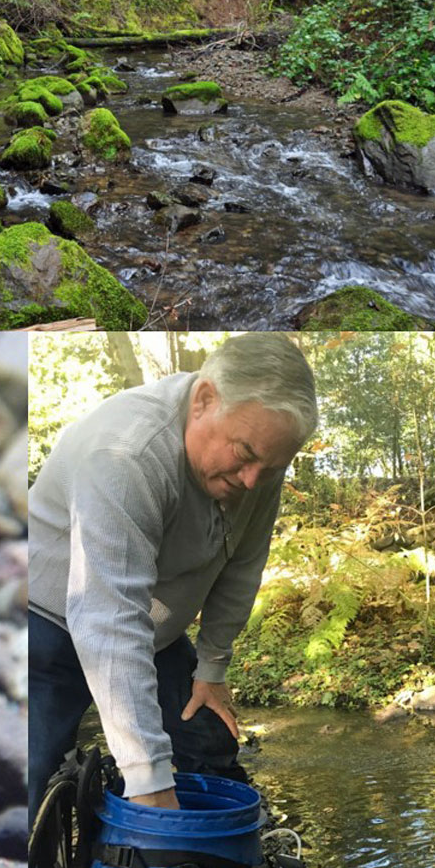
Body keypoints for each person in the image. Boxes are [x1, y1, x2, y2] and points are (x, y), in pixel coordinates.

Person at [28, 333, 317, 816]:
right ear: (203, 400)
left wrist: (212, 668)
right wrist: (148, 779)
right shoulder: (125, 453)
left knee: (209, 741)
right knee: (29, 781)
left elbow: (242, 568)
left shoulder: (259, 459)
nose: (252, 481)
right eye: (244, 454)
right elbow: (107, 620)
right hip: (44, 622)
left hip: (151, 630)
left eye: (270, 467)